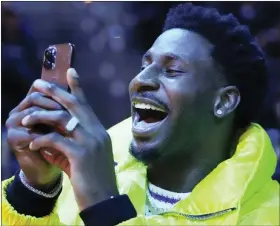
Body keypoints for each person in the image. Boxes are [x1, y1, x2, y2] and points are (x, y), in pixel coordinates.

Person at [2, 3, 279, 225]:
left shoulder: (269, 214)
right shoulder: (77, 178)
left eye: (172, 70)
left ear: (223, 102)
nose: (140, 80)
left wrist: (104, 206)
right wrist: (34, 192)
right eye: (144, 65)